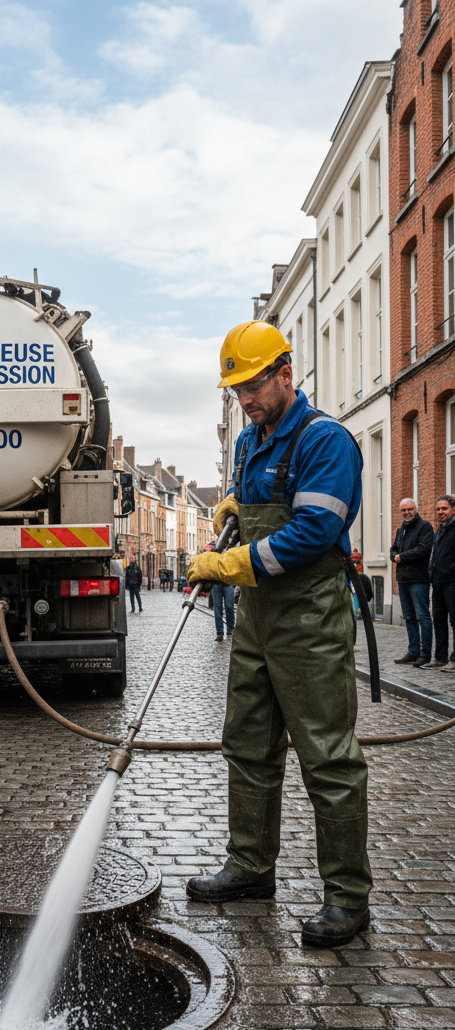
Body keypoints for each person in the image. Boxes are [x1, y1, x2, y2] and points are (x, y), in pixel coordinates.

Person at [184, 320, 371, 949]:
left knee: (328, 758)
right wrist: (233, 507)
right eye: (236, 390)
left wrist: (230, 564)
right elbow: (254, 500)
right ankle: (249, 866)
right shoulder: (250, 441)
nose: (245, 400)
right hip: (257, 622)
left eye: (253, 386)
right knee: (247, 745)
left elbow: (314, 530)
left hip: (311, 622)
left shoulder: (326, 441)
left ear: (285, 374)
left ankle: (347, 898)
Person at [390, 498, 433, 667]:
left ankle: (425, 654)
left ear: (416, 509)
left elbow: (424, 549)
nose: (407, 513)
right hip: (403, 579)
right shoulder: (401, 530)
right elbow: (394, 548)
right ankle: (413, 652)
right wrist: (393, 556)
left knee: (423, 617)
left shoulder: (425, 527)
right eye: (404, 510)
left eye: (410, 509)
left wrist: (401, 557)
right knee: (409, 617)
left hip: (419, 579)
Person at [429, 494, 455, 671]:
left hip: (452, 581)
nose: (440, 512)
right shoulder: (440, 529)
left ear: (453, 509)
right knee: (438, 620)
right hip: (438, 582)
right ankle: (440, 658)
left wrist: (449, 570)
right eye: (438, 509)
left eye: (444, 508)